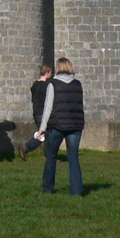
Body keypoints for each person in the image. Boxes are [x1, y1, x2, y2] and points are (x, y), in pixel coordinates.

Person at [36, 57, 84, 195]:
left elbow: (48, 107)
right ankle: (76, 191)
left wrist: (42, 128)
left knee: (51, 157)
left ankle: (47, 187)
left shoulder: (53, 84)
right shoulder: (77, 84)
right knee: (73, 158)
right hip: (75, 125)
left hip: (56, 125)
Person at [18, 64, 54, 160]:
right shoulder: (46, 86)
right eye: (50, 72)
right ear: (47, 73)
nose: (51, 74)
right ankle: (27, 147)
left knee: (45, 134)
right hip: (43, 112)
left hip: (36, 112)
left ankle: (46, 155)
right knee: (44, 134)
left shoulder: (35, 85)